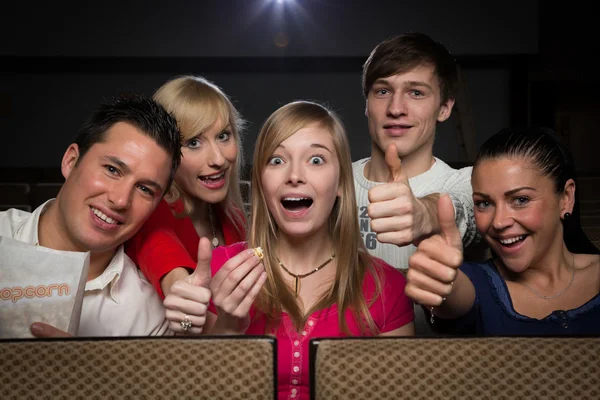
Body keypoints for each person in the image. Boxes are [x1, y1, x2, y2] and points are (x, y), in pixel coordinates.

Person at [200, 101, 415, 400]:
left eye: (316, 160)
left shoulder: (387, 286)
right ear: (262, 183)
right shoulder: (222, 267)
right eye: (277, 160)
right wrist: (227, 327)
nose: (294, 175)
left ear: (341, 182)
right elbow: (202, 390)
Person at [0, 94, 182, 337]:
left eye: (144, 189)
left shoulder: (149, 319)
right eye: (112, 170)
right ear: (71, 161)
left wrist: (87, 372)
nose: (120, 200)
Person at [405, 127, 600, 335]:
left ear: (566, 198)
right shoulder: (477, 283)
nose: (498, 222)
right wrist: (441, 280)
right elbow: (454, 296)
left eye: (520, 200)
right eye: (484, 203)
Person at [352, 32, 479, 334]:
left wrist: (424, 213)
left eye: (416, 93)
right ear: (367, 104)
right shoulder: (332, 182)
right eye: (382, 91)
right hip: (342, 364)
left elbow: (462, 209)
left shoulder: (468, 181)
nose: (396, 108)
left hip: (435, 368)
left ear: (445, 108)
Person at [124, 75, 247, 335]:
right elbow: (175, 279)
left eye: (224, 136)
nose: (218, 158)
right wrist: (188, 308)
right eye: (193, 142)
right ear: (164, 153)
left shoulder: (233, 217)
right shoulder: (151, 213)